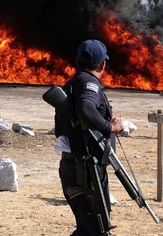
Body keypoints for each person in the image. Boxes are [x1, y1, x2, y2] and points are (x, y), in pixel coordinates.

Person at [56, 39, 124, 236]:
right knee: (96, 230)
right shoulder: (88, 83)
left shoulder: (70, 86)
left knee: (88, 230)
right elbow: (86, 108)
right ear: (102, 64)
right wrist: (109, 127)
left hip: (75, 168)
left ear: (77, 61)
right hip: (86, 172)